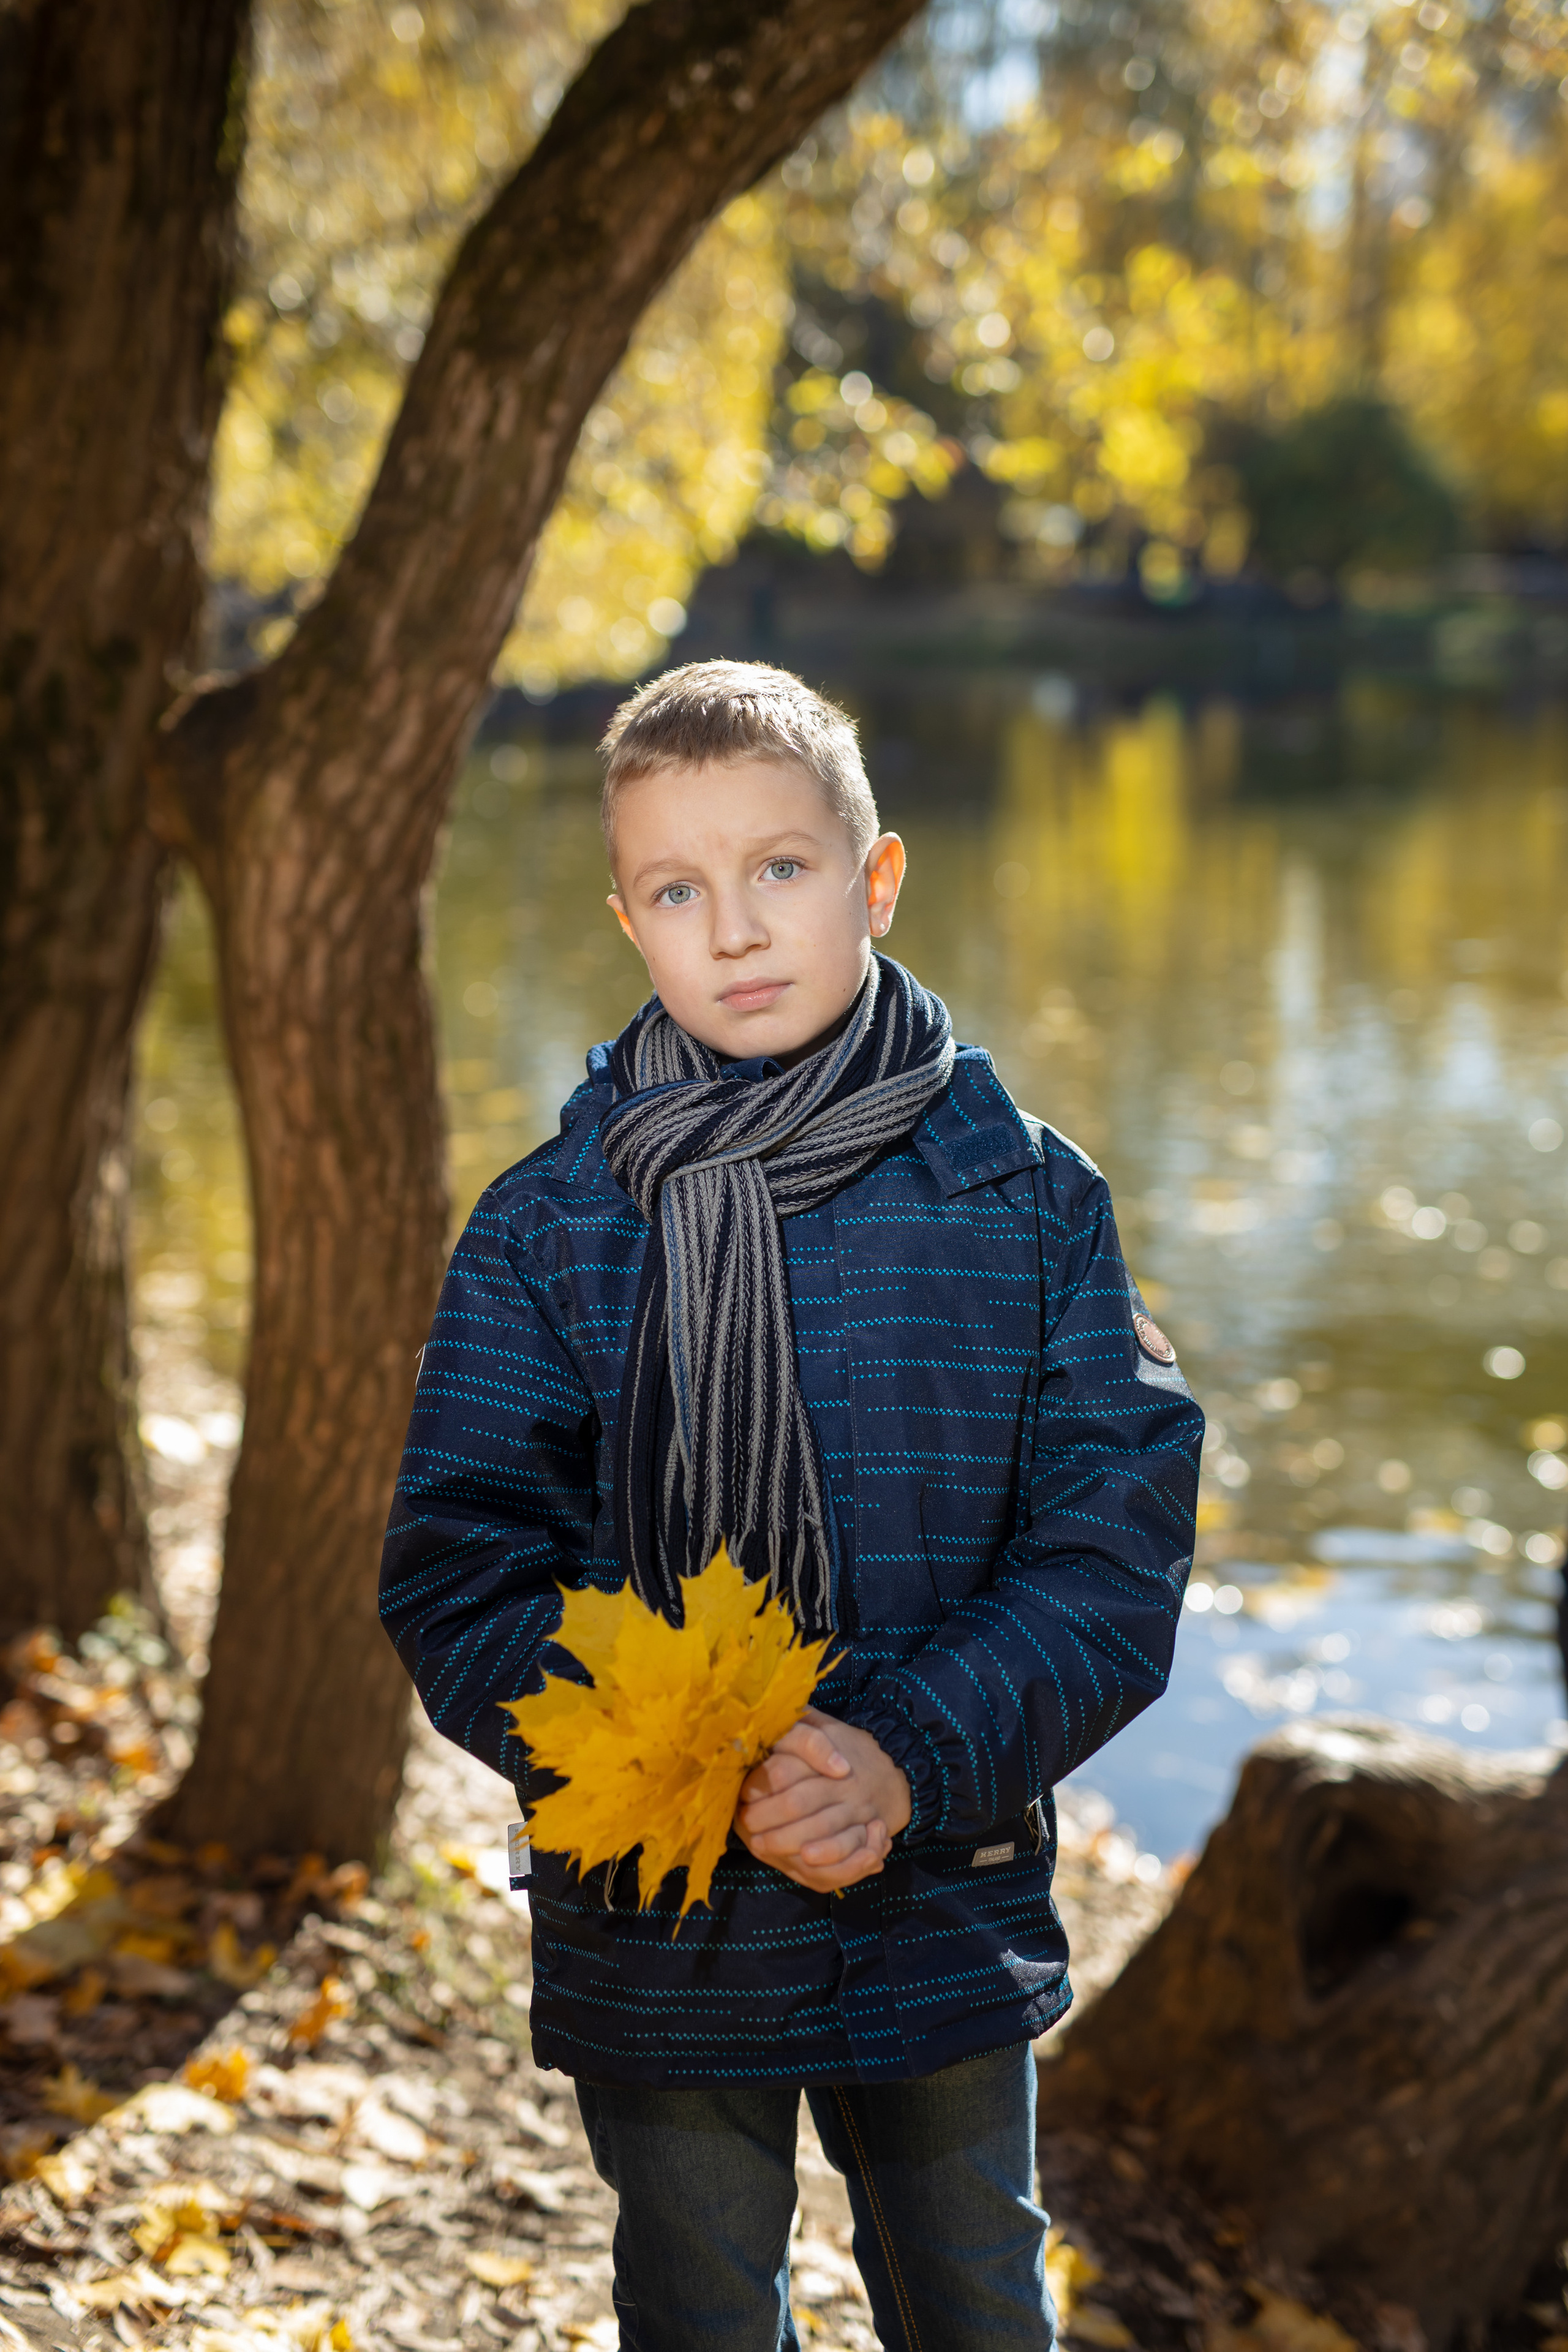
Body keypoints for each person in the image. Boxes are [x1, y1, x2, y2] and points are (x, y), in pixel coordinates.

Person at [379, 661, 1204, 2352]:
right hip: (660, 1916)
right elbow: (460, 1569)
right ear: (628, 921)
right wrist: (687, 1742)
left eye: (781, 870)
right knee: (696, 2305)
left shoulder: (1028, 1200)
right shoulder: (550, 1230)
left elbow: (1109, 1551)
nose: (736, 928)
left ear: (876, 878)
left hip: (944, 1881)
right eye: (680, 891)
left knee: (976, 2301)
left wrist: (904, 1750)